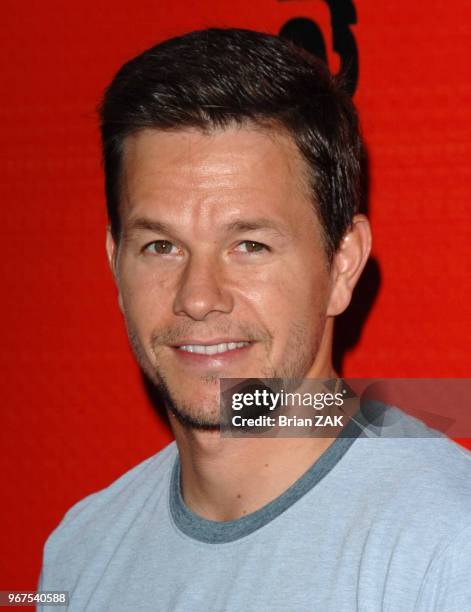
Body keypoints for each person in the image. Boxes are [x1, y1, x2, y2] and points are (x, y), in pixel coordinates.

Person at [38, 28, 471, 611]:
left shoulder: (447, 545)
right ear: (115, 264)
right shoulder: (79, 552)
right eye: (161, 246)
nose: (197, 297)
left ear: (341, 265)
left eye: (249, 245)